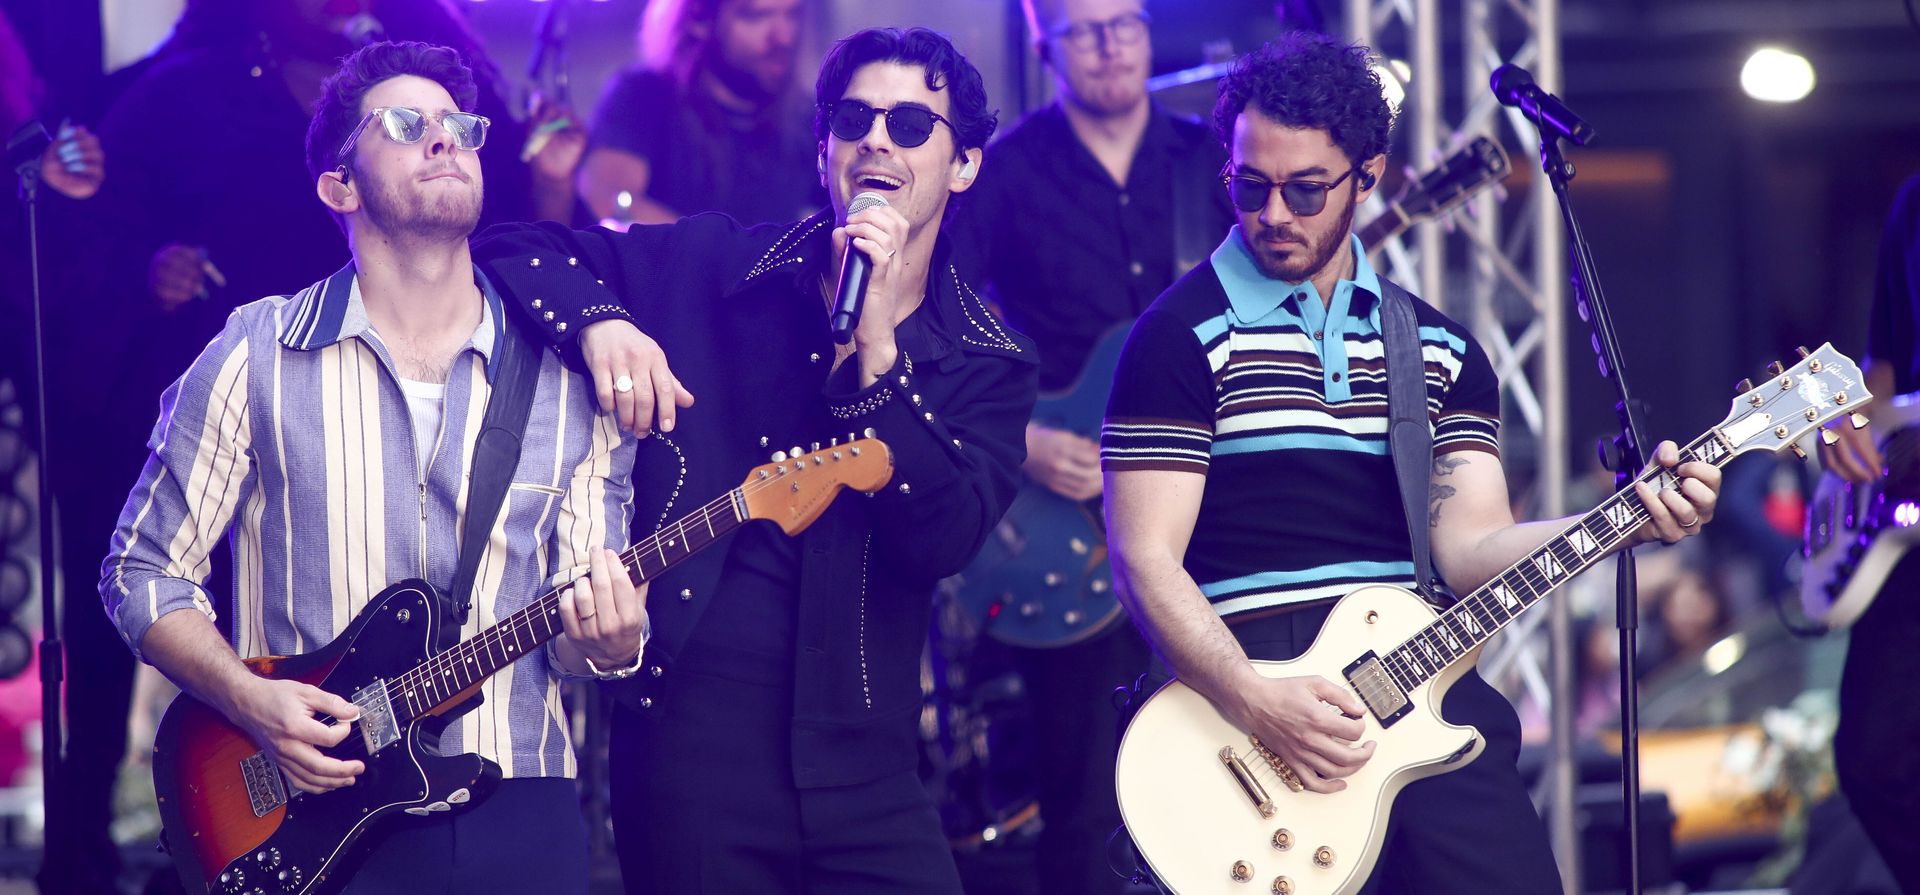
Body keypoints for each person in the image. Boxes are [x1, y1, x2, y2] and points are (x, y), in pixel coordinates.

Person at [1099, 33, 1721, 893]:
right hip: (1241, 704)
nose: (1273, 214)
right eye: (1250, 185)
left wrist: (1617, 525)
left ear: (1370, 174)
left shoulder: (1439, 350)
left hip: (1417, 683)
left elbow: (1470, 549)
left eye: (1306, 188)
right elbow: (1143, 558)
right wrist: (1253, 697)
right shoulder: (1176, 335)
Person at [472, 26, 1037, 895]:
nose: (877, 139)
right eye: (854, 119)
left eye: (912, 126)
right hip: (694, 755)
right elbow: (512, 249)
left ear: (963, 165)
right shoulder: (714, 263)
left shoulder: (987, 357)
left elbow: (941, 537)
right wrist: (603, 321)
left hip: (869, 766)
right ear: (826, 152)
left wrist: (878, 353)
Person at [39, 6, 585, 889]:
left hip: (520, 797)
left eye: (460, 126)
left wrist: (614, 635)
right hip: (308, 809)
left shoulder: (563, 376)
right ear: (339, 185)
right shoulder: (254, 352)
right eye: (408, 126)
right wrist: (250, 700)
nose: (444, 141)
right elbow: (139, 570)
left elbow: (589, 646)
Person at [945, 0, 1233, 890]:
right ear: (1045, 45)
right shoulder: (1007, 170)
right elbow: (938, 318)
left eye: (1127, 24)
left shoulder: (1208, 163)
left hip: (1207, 504)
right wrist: (1018, 438)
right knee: (1088, 794)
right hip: (1063, 528)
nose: (1111, 46)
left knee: (1227, 775)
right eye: (1085, 31)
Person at [1823, 172, 1919, 893]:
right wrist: (1848, 420)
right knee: (1872, 757)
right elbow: (1887, 359)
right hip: (1905, 517)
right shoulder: (1914, 200)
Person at [575, 0, 823, 226]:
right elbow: (606, 197)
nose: (783, 37)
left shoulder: (807, 118)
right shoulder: (643, 95)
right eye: (756, 16)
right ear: (699, 18)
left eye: (792, 14)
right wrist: (728, 260)